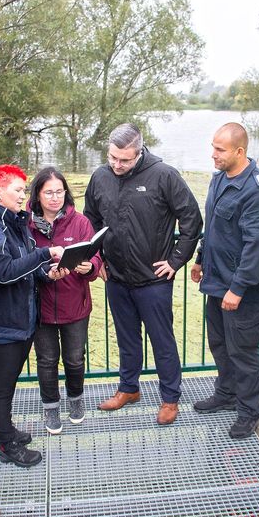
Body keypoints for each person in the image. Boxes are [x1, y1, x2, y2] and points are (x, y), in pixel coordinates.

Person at [84, 123, 203, 425]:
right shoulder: (100, 176)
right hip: (116, 276)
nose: (117, 165)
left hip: (154, 280)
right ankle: (128, 388)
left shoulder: (164, 175)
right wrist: (97, 259)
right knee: (126, 338)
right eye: (113, 158)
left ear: (139, 151)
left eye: (124, 159)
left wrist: (176, 261)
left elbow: (192, 219)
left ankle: (170, 398)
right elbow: (90, 220)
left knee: (162, 340)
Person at [0, 165, 65, 468]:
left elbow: (26, 263)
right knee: (2, 385)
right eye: (18, 190)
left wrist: (47, 273)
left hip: (18, 321)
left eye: (24, 190)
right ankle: (6, 445)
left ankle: (5, 431)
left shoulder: (14, 223)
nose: (24, 196)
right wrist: (44, 254)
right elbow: (4, 272)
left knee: (4, 383)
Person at [190, 123, 259, 439]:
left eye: (220, 149)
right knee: (219, 344)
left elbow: (257, 246)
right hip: (216, 280)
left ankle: (250, 411)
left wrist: (238, 289)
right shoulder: (218, 180)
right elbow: (213, 227)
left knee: (243, 351)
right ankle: (225, 393)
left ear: (239, 151)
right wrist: (200, 258)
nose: (213, 154)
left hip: (240, 290)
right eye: (212, 147)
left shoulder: (258, 191)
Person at [27, 167, 103, 434]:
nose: (55, 197)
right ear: (37, 194)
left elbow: (95, 255)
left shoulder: (80, 222)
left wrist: (90, 267)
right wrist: (44, 273)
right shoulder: (25, 223)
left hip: (75, 304)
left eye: (59, 192)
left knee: (74, 359)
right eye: (49, 192)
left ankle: (76, 401)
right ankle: (50, 409)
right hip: (41, 306)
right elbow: (21, 262)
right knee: (46, 360)